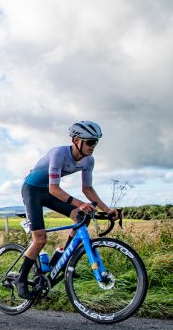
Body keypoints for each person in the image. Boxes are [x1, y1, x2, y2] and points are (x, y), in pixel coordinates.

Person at [16, 121, 118, 299]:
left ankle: (59, 262)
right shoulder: (59, 153)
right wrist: (79, 203)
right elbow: (54, 189)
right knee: (39, 239)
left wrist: (107, 209)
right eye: (90, 142)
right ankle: (21, 279)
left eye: (96, 142)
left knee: (81, 217)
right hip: (33, 191)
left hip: (49, 191)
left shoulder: (88, 160)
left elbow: (88, 189)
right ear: (76, 140)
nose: (93, 146)